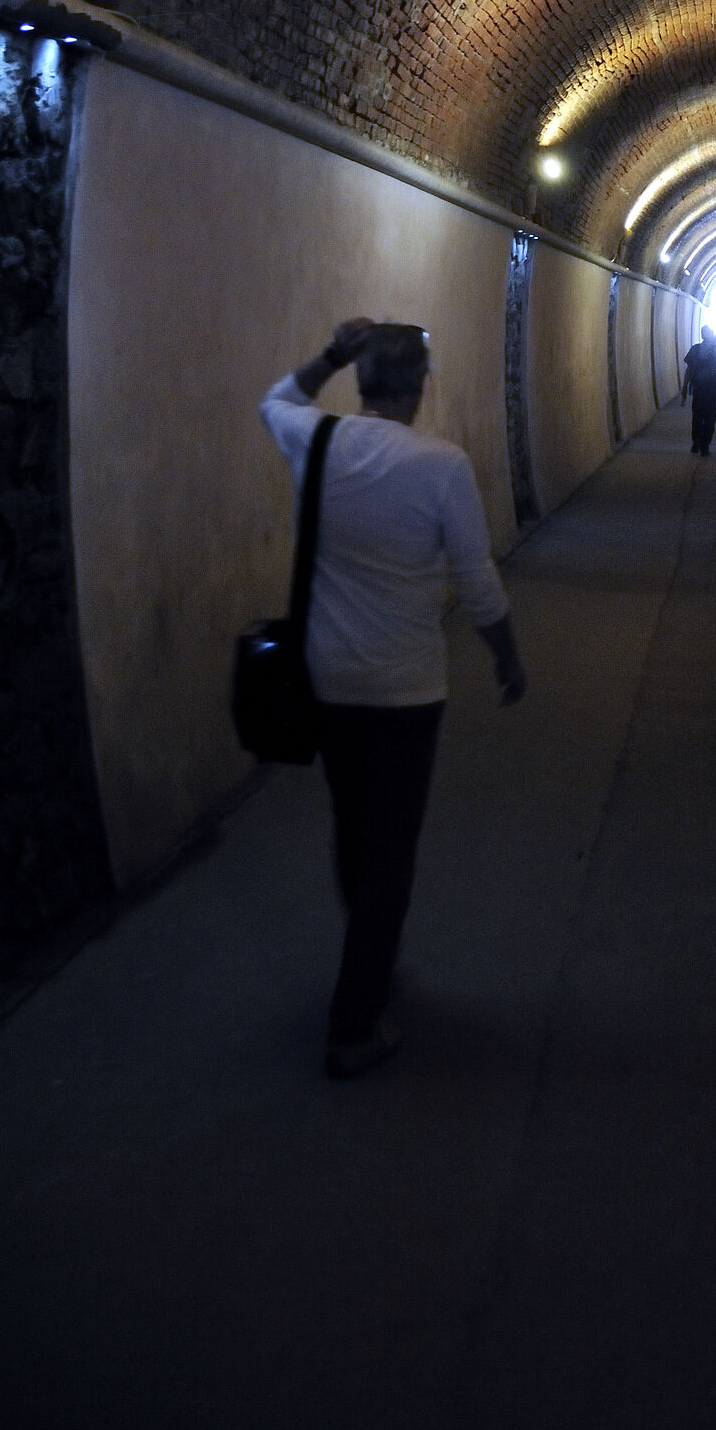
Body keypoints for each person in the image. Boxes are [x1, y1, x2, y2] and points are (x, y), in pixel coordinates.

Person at [260, 318, 527, 1078]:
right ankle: (354, 1022)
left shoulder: (314, 439)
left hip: (328, 679)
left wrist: (327, 355)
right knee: (393, 850)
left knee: (354, 829)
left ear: (360, 380)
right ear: (421, 386)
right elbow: (476, 583)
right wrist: (507, 659)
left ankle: (367, 956)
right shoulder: (441, 465)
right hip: (407, 689)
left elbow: (274, 398)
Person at [681, 326, 716, 454]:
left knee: (697, 415)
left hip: (698, 388)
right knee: (710, 417)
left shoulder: (695, 349)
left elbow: (688, 370)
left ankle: (696, 442)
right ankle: (705, 445)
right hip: (713, 389)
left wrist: (685, 387)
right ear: (711, 335)